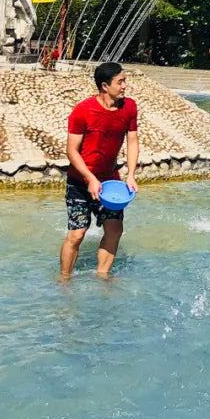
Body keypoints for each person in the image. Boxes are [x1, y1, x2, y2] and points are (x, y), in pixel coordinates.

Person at [59, 62, 139, 281]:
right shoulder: (83, 111)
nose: (125, 86)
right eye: (120, 82)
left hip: (111, 184)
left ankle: (102, 276)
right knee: (77, 234)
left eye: (125, 80)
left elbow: (132, 141)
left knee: (114, 230)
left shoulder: (129, 107)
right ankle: (64, 279)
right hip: (80, 182)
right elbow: (72, 151)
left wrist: (131, 174)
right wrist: (90, 178)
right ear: (105, 86)